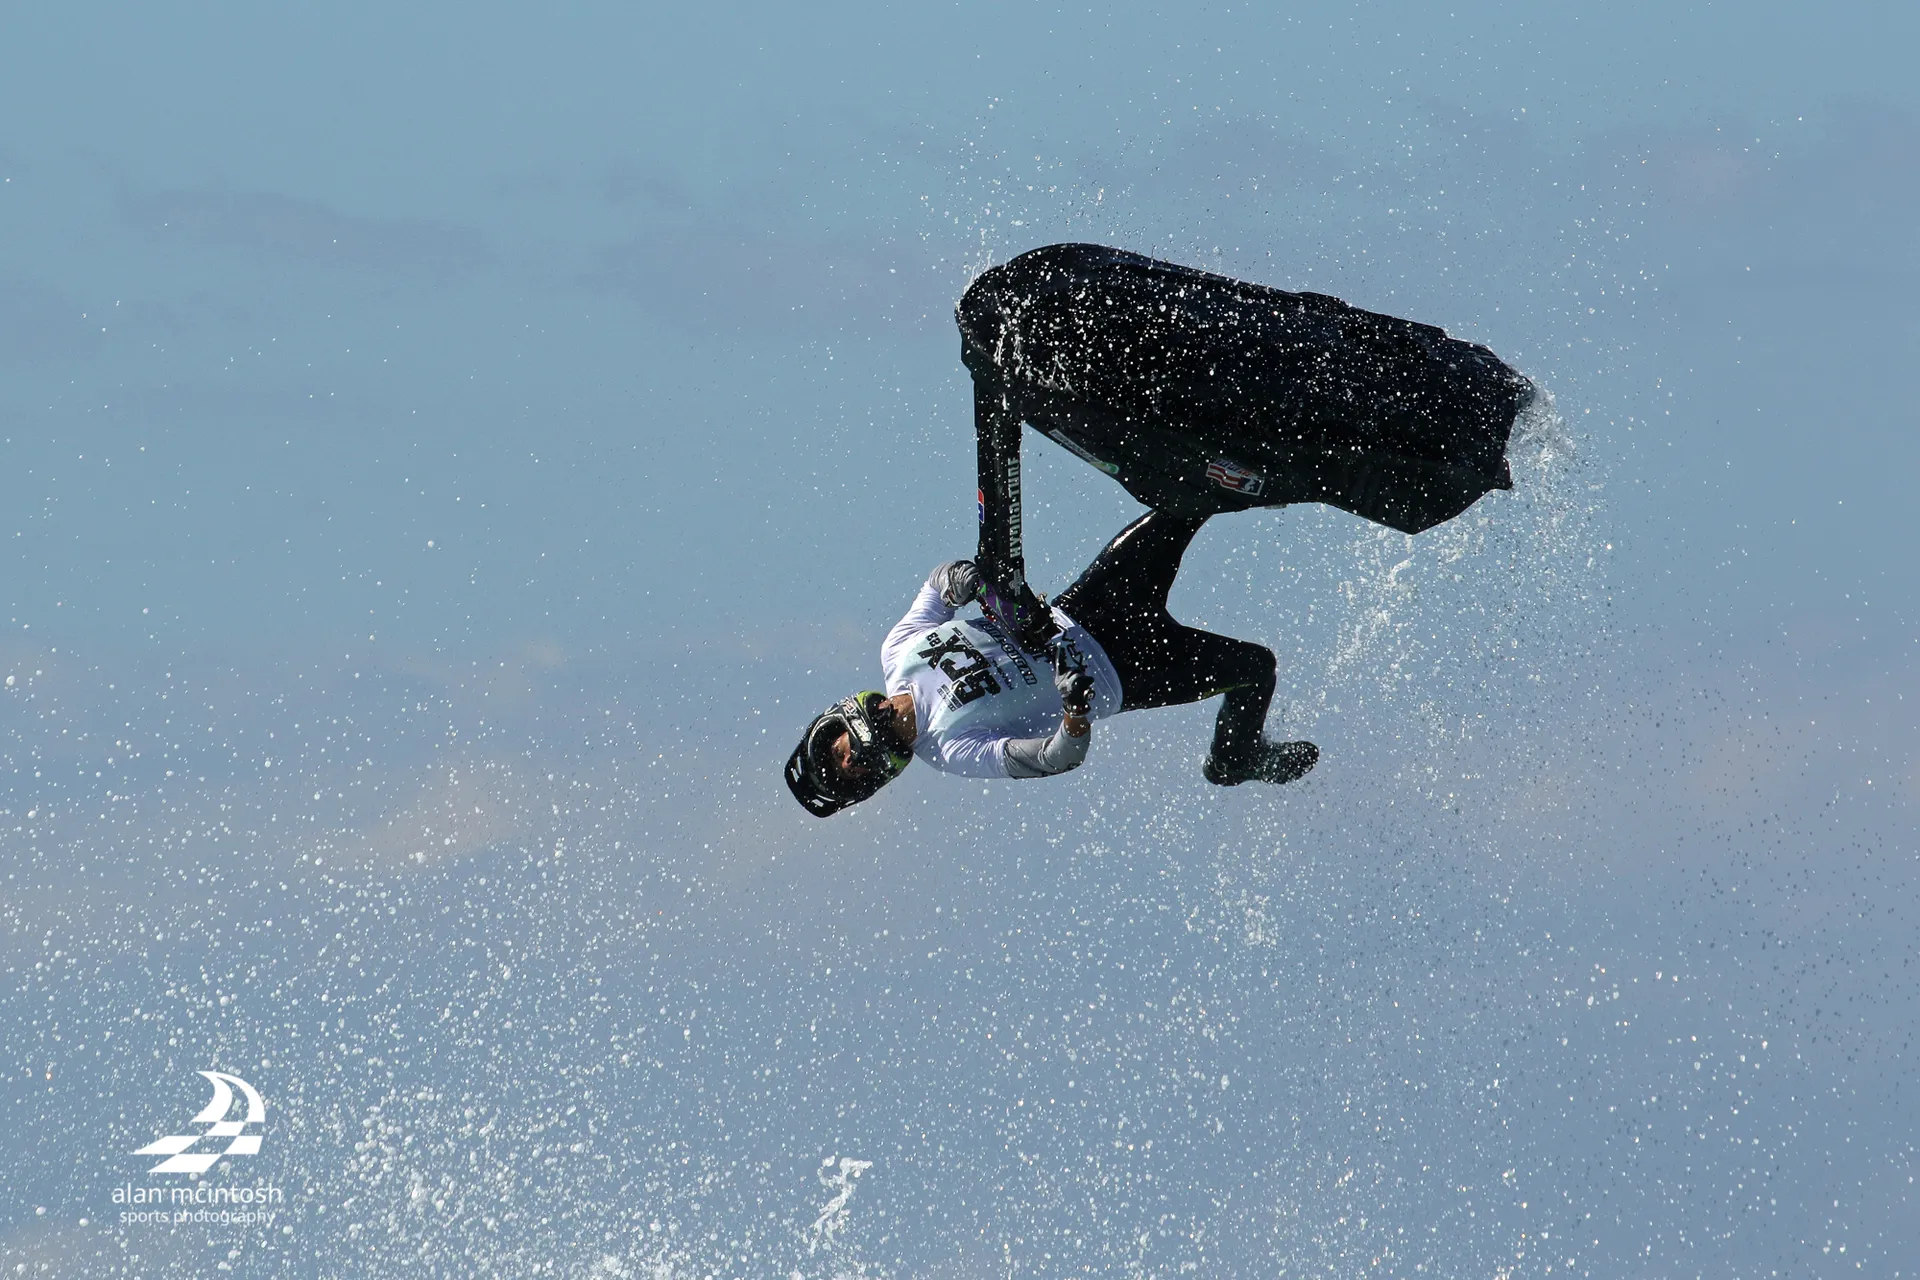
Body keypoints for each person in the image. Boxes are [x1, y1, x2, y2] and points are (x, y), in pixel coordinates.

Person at [784, 510, 1317, 817]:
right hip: (1127, 673)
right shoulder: (951, 748)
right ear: (876, 776)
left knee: (1186, 500)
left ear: (835, 723)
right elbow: (1053, 758)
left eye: (836, 749)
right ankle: (1235, 760)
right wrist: (1074, 713)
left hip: (1091, 605)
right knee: (1256, 666)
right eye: (850, 770)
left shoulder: (898, 653)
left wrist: (969, 583)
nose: (848, 754)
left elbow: (939, 581)